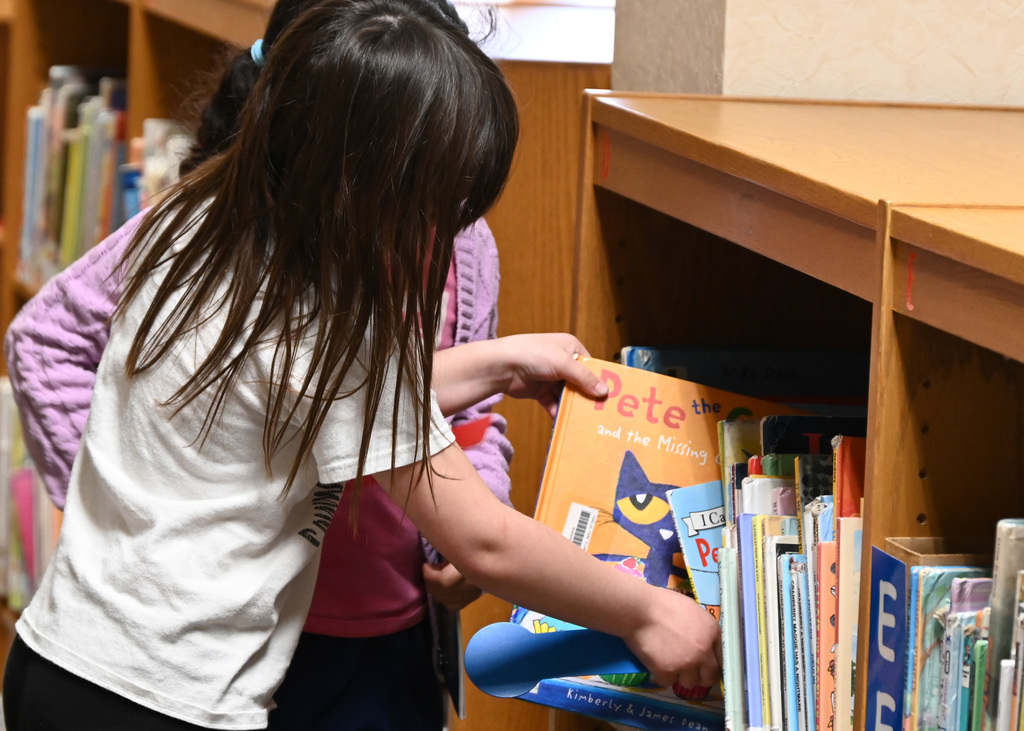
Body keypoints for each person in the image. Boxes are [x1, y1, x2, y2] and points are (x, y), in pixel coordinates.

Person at [2, 1, 722, 729]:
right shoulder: (334, 324)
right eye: (433, 208)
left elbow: (300, 404)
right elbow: (485, 539)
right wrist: (649, 610)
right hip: (167, 703)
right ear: (364, 192)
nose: (446, 234)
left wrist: (497, 364)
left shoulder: (200, 217)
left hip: (58, 660)